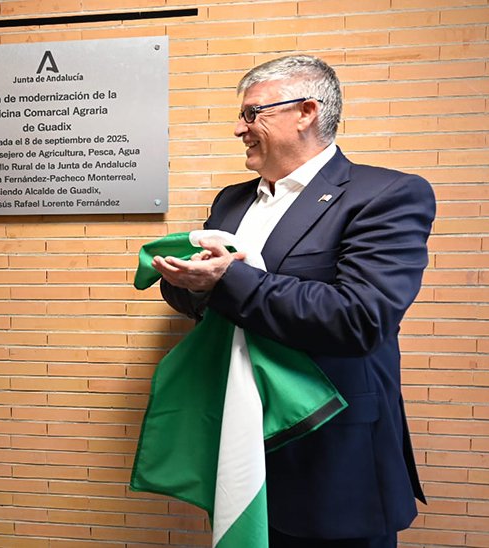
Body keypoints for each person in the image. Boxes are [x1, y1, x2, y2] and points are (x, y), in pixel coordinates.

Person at [152, 55, 433, 547]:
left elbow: (361, 317)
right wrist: (188, 283)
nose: (239, 128)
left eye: (252, 114)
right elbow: (210, 300)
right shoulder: (231, 201)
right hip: (241, 436)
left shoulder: (385, 194)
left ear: (306, 111)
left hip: (333, 450)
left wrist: (225, 284)